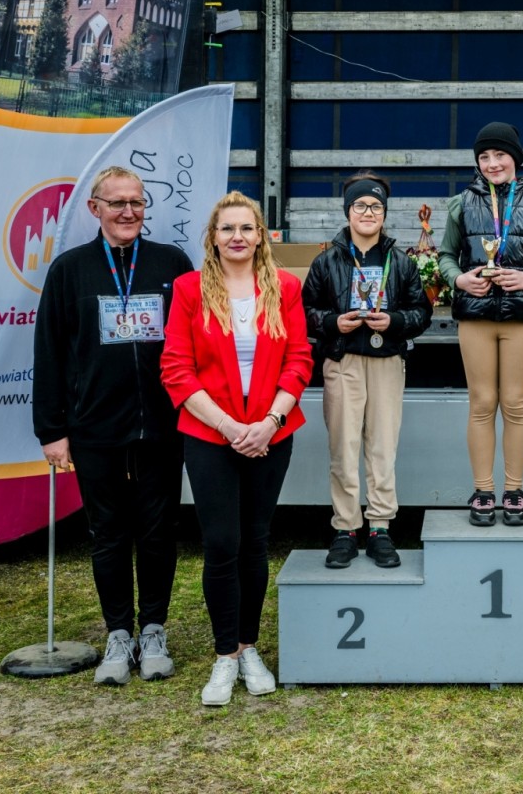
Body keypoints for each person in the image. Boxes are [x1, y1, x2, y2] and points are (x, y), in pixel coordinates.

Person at [32, 165, 193, 686]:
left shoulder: (172, 263)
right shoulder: (70, 270)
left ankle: (154, 630)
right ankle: (119, 634)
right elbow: (50, 352)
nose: (128, 212)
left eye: (137, 202)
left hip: (162, 427)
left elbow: (193, 342)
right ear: (94, 208)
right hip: (94, 428)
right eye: (117, 202)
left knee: (158, 532)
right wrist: (51, 430)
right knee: (107, 534)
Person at [161, 191, 313, 706]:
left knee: (255, 541)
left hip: (271, 434)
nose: (237, 237)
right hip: (210, 435)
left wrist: (269, 422)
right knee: (222, 542)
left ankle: (249, 647)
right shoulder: (190, 289)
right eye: (227, 228)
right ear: (213, 237)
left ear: (261, 236)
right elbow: (176, 368)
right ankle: (225, 654)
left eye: (247, 228)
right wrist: (230, 427)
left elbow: (299, 359)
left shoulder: (284, 287)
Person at [437, 121, 523, 526]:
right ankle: (482, 491)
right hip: (475, 317)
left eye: (500, 155)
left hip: (521, 318)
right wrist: (459, 280)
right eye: (484, 157)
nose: (492, 163)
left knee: (515, 404)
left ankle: (513, 490)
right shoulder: (460, 204)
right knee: (481, 404)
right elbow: (445, 257)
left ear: (515, 158)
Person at [303, 171, 432, 569]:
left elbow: (422, 311)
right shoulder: (326, 261)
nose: (368, 212)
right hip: (343, 360)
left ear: (385, 213)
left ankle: (379, 527)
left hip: (387, 361)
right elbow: (305, 311)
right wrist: (331, 323)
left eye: (376, 206)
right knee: (343, 448)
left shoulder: (402, 261)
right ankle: (345, 528)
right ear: (348, 211)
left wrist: (395, 321)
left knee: (382, 448)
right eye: (360, 205)